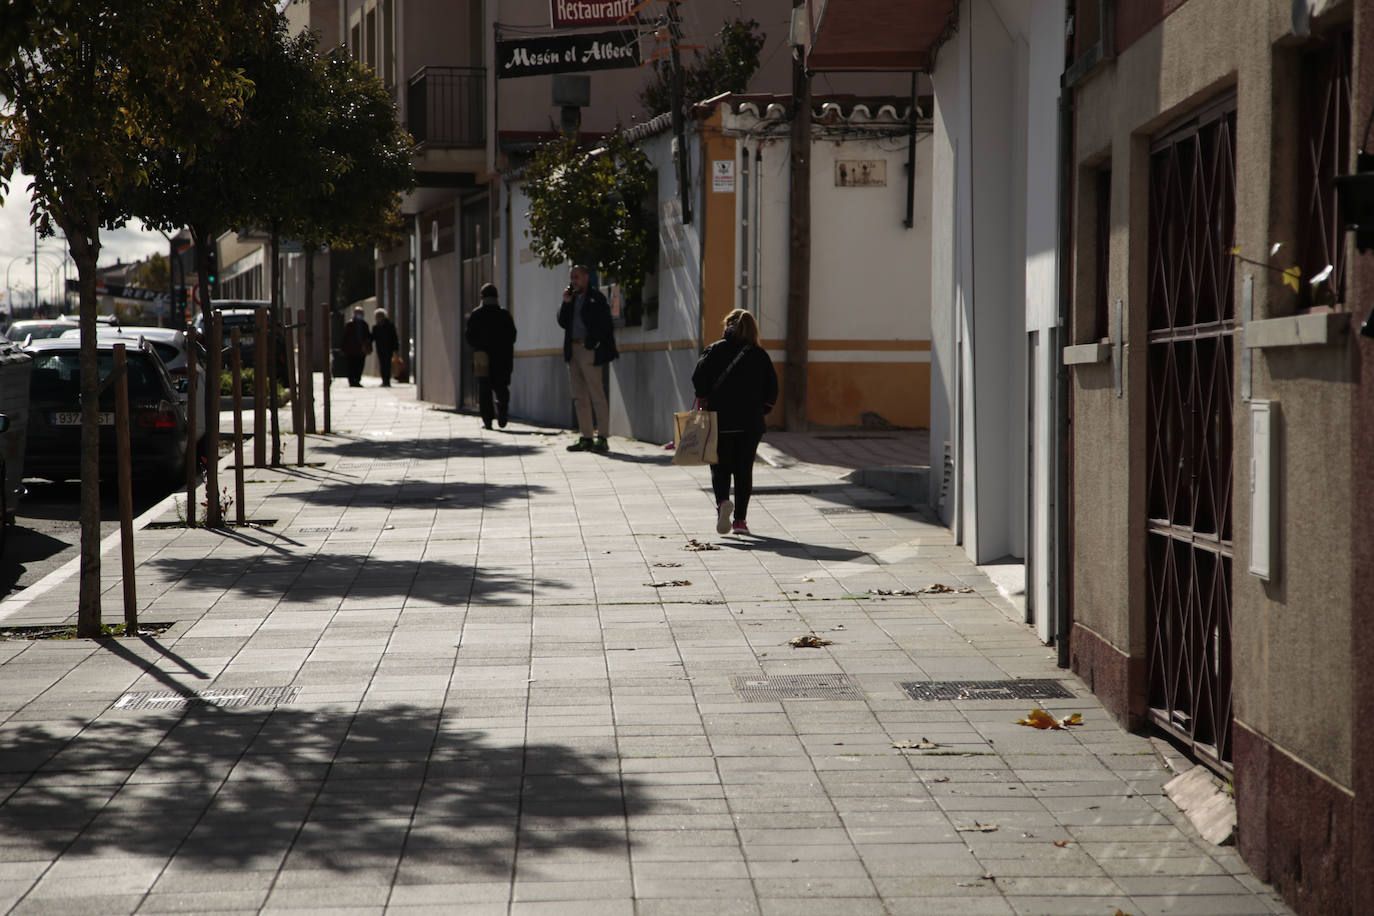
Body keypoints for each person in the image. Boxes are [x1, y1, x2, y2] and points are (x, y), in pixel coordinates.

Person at [692, 309, 777, 535]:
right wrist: (762, 411)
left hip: (720, 420)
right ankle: (740, 521)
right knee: (743, 470)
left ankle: (722, 503)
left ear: (727, 325)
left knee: (719, 467)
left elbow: (698, 380)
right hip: (750, 423)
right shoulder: (760, 355)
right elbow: (772, 390)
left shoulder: (714, 350)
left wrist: (706, 395)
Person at [556, 264, 618, 452]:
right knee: (579, 396)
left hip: (588, 349)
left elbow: (605, 324)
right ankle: (586, 436)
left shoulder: (596, 298)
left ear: (586, 278)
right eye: (572, 277)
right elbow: (562, 322)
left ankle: (603, 437)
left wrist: (593, 343)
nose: (573, 281)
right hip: (572, 350)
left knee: (596, 394)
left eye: (577, 277)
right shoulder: (572, 299)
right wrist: (565, 303)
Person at [466, 283, 517, 429]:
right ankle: (503, 413)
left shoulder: (476, 314)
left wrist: (479, 345)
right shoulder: (504, 314)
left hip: (482, 358)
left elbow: (469, 336)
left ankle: (487, 421)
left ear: (482, 297)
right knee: (501, 387)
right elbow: (513, 336)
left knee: (484, 389)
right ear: (496, 297)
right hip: (503, 358)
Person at [341, 307, 372, 387]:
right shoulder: (350, 324)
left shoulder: (364, 325)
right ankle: (352, 380)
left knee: (360, 365)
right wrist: (343, 348)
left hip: (361, 349)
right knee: (351, 365)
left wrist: (368, 346)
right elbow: (345, 337)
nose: (359, 315)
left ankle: (357, 380)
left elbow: (368, 337)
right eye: (358, 313)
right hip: (351, 349)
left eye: (360, 313)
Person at [372, 308, 399, 388]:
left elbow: (394, 337)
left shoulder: (390, 326)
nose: (378, 318)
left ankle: (387, 381)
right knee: (382, 364)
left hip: (388, 348)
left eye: (379, 316)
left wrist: (396, 349)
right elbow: (372, 337)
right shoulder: (376, 327)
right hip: (380, 349)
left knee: (387, 364)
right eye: (377, 316)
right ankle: (384, 380)